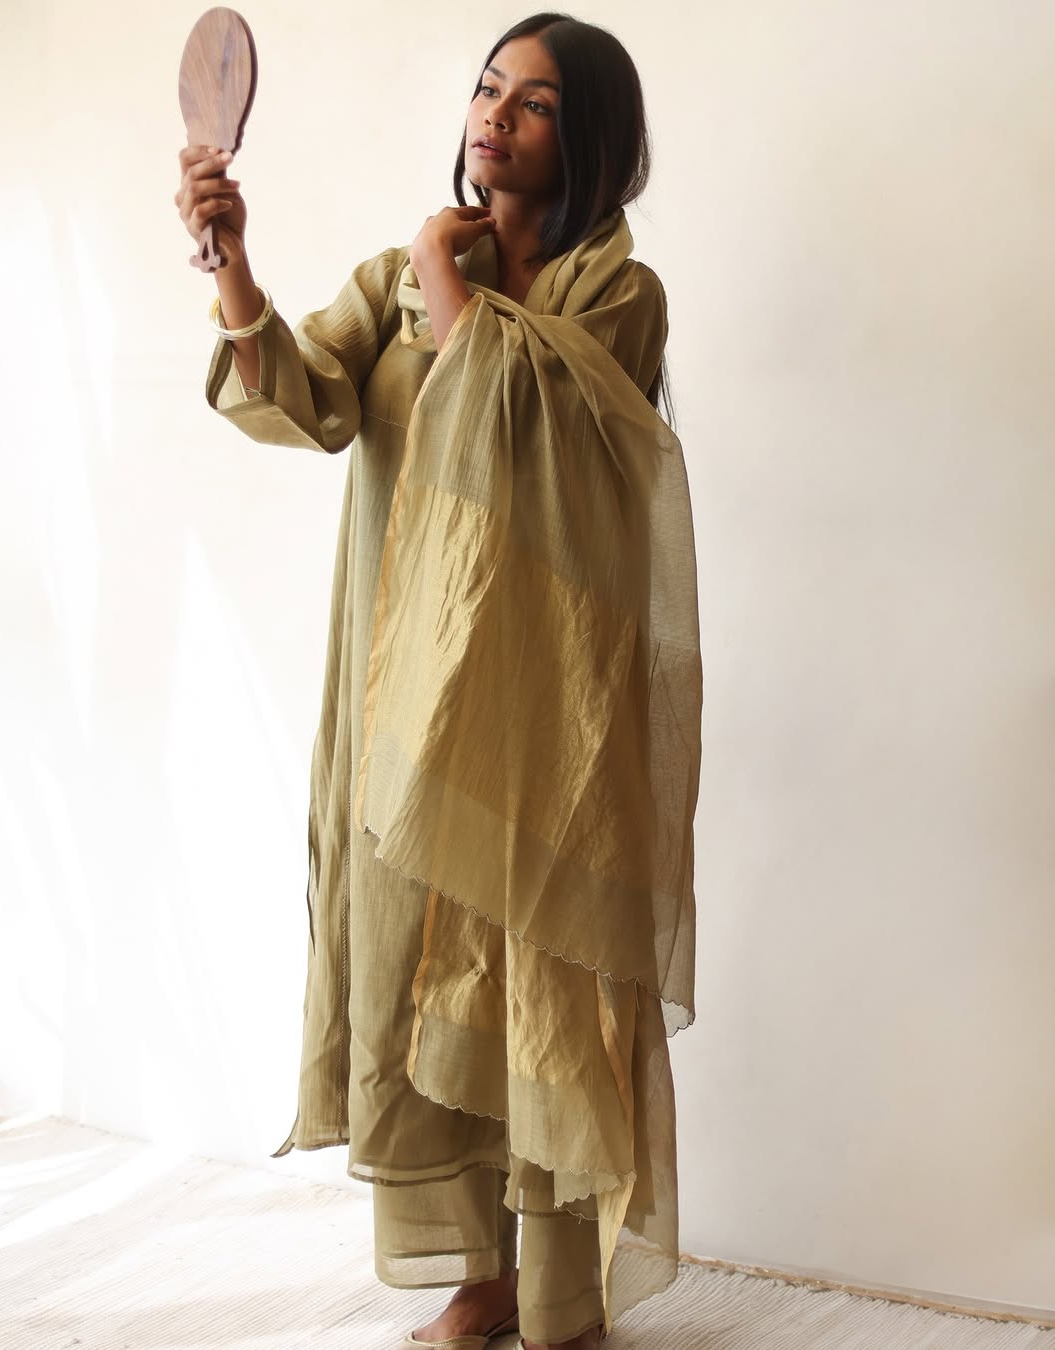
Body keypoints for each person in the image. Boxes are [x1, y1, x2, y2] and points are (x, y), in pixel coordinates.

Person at [174, 13, 703, 1350]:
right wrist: (234, 266)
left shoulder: (615, 295)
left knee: (545, 988)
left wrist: (437, 269)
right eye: (487, 87)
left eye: (535, 102)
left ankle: (563, 1293)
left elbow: (524, 428)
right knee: (424, 980)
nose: (495, 115)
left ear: (588, 138)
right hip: (406, 699)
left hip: (546, 715)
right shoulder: (395, 282)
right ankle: (481, 1273)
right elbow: (302, 400)